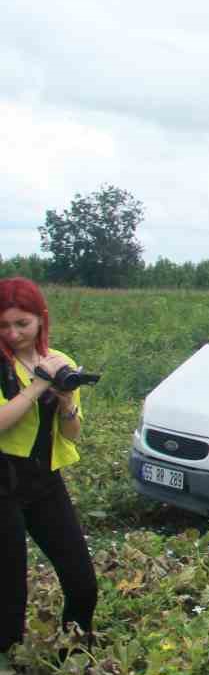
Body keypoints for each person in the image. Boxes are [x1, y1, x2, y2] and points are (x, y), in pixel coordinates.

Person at [0, 278, 96, 656]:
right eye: (3, 325)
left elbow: (71, 433)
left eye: (21, 324)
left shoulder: (60, 362)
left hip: (44, 479)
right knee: (9, 592)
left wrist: (66, 399)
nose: (12, 333)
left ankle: (74, 660)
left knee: (82, 582)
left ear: (41, 320)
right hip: (2, 478)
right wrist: (37, 386)